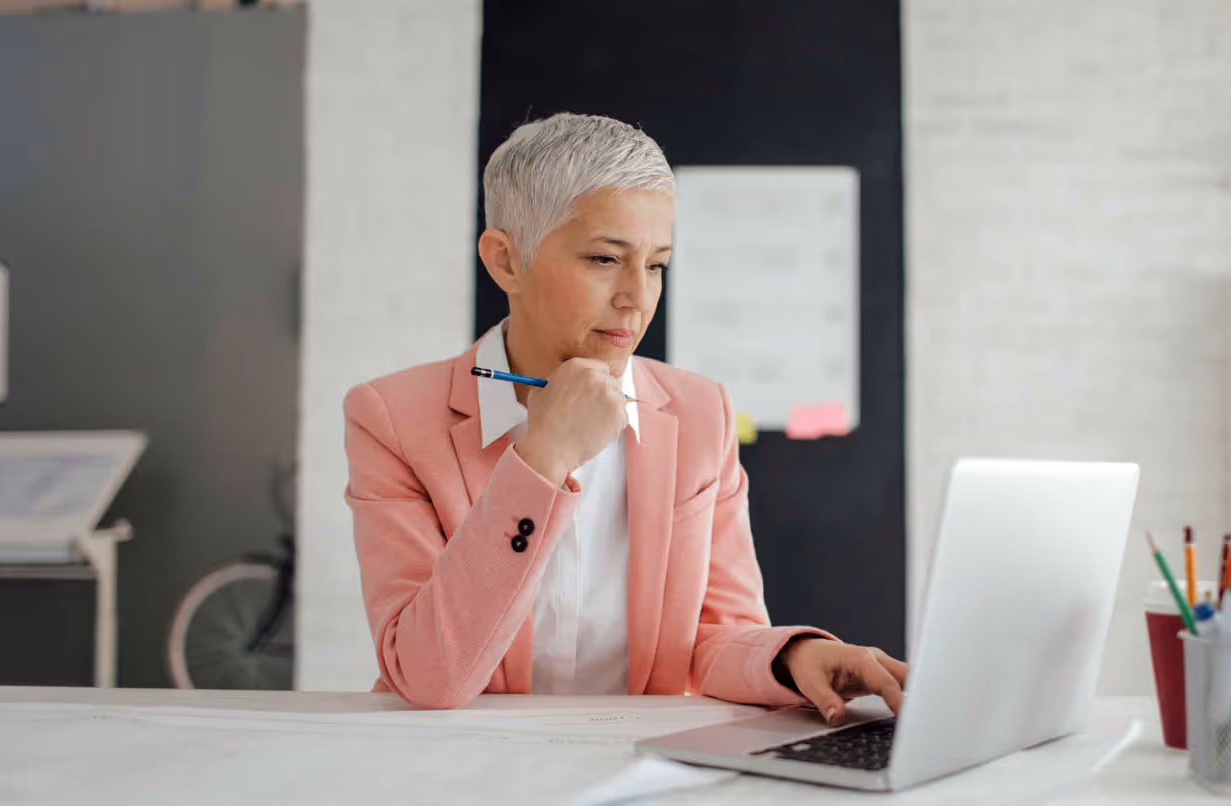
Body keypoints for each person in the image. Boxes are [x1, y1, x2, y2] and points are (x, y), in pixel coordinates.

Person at [343, 113, 906, 726]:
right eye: (605, 259)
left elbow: (716, 635)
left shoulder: (700, 414)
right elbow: (430, 676)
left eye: (657, 264)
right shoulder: (392, 419)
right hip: (457, 767)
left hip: (634, 767)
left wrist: (794, 656)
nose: (637, 298)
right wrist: (542, 459)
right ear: (506, 261)